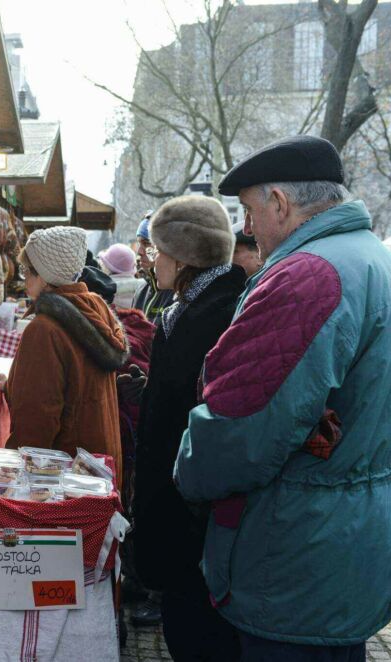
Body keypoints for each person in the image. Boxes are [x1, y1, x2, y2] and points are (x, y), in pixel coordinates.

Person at [175, 136, 391, 660]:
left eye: (249, 210)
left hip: (294, 554)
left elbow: (241, 426)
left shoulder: (306, 276)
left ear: (279, 203)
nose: (246, 228)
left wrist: (187, 472)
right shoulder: (370, 259)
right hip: (343, 544)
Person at [131, 196, 245, 660]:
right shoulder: (192, 307)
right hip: (184, 500)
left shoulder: (213, 313)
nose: (152, 259)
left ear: (181, 257)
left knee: (196, 630)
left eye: (158, 250)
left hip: (194, 507)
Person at [0, 226, 128, 485]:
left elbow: (36, 422)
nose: (24, 279)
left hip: (62, 475)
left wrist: (12, 478)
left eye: (27, 271)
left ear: (45, 277)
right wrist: (14, 386)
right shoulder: (96, 307)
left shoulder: (45, 329)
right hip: (95, 469)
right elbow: (74, 390)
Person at [131, 215, 174, 322]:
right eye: (139, 243)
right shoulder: (141, 290)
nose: (140, 251)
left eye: (146, 243)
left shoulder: (179, 292)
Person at [98, 243, 144, 309]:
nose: (101, 265)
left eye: (103, 263)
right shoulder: (144, 290)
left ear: (107, 267)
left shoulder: (102, 292)